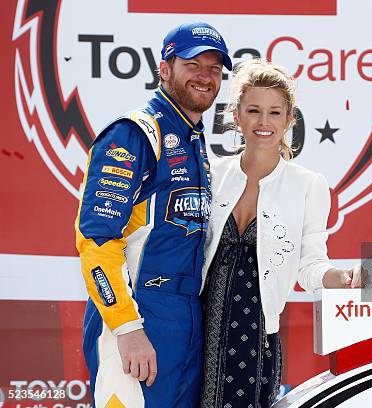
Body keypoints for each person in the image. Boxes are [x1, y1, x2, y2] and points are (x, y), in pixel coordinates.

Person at [75, 22, 232, 407]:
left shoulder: (195, 142)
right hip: (138, 315)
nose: (205, 76)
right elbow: (96, 239)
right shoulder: (135, 132)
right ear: (165, 68)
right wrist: (126, 327)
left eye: (214, 68)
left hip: (187, 318)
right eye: (193, 63)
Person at [200, 59, 363, 408]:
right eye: (254, 110)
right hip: (194, 336)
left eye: (275, 113)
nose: (263, 122)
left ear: (289, 120)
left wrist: (343, 277)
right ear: (236, 115)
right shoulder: (209, 174)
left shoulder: (308, 186)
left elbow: (311, 266)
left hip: (255, 340)